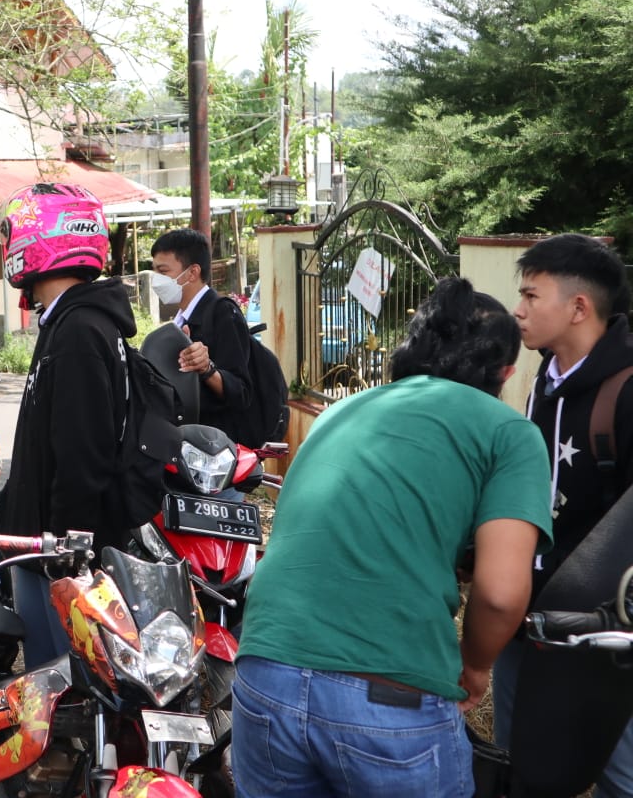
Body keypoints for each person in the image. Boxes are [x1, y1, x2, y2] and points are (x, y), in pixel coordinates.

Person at [230, 277, 553, 798]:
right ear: (507, 373)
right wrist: (474, 668)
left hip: (264, 673)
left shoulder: (339, 413)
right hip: (388, 696)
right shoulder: (508, 432)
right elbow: (500, 592)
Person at [493, 233, 633, 796]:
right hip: (525, 615)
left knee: (619, 772)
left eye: (531, 296)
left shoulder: (624, 392)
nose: (518, 310)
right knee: (515, 758)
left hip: (601, 633)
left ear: (579, 307)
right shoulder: (543, 383)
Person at [0, 183, 135, 668]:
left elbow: (82, 457)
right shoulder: (72, 323)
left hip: (59, 561)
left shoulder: (78, 333)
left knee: (59, 691)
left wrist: (64, 555)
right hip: (45, 551)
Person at [149, 228, 254, 443]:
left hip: (214, 450)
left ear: (192, 272)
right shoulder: (181, 320)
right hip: (187, 443)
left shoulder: (223, 313)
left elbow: (240, 392)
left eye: (163, 271)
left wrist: (206, 369)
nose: (156, 280)